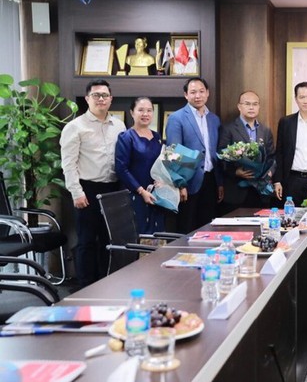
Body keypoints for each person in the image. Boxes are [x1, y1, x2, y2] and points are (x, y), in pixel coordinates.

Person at [60, 79, 126, 287]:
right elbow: (68, 164)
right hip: (87, 189)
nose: (101, 99)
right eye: (96, 95)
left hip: (112, 189)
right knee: (87, 241)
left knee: (110, 240)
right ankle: (85, 285)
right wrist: (76, 192)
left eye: (105, 95)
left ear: (111, 99)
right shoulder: (75, 127)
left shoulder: (119, 125)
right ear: (87, 98)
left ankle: (105, 283)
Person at [165, 77, 224, 233]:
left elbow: (214, 152)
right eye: (193, 92)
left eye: (201, 91)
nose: (197, 96)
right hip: (189, 181)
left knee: (208, 228)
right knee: (187, 228)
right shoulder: (176, 118)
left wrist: (219, 182)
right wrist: (181, 184)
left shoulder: (214, 119)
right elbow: (173, 153)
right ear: (186, 95)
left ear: (207, 93)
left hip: (210, 180)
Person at [218, 90, 275, 214]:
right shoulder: (228, 129)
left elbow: (271, 157)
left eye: (255, 104)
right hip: (236, 189)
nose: (251, 107)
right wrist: (235, 172)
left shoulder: (265, 131)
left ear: (259, 107)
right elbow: (221, 156)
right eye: (247, 104)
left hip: (260, 190)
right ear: (239, 106)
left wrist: (268, 174)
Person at [115, 97, 165, 234]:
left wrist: (162, 180)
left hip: (155, 195)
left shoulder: (156, 136)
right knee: (139, 234)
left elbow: (160, 164)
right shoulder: (126, 137)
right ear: (132, 112)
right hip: (135, 195)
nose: (145, 114)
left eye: (149, 110)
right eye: (141, 110)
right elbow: (121, 168)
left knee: (157, 235)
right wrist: (141, 191)